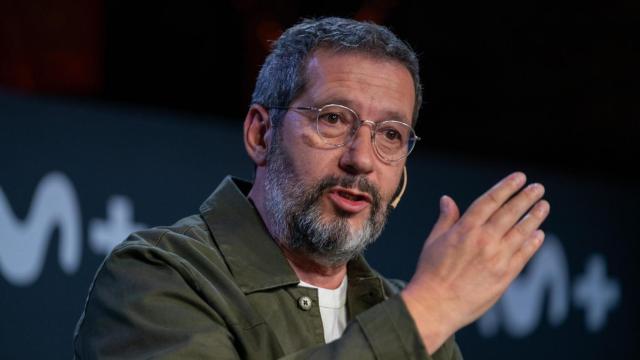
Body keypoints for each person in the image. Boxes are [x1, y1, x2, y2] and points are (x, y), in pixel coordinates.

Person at [74, 17, 550, 359]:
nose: (361, 158)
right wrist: (433, 306)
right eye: (332, 119)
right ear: (261, 134)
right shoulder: (156, 276)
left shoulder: (404, 311)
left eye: (390, 135)